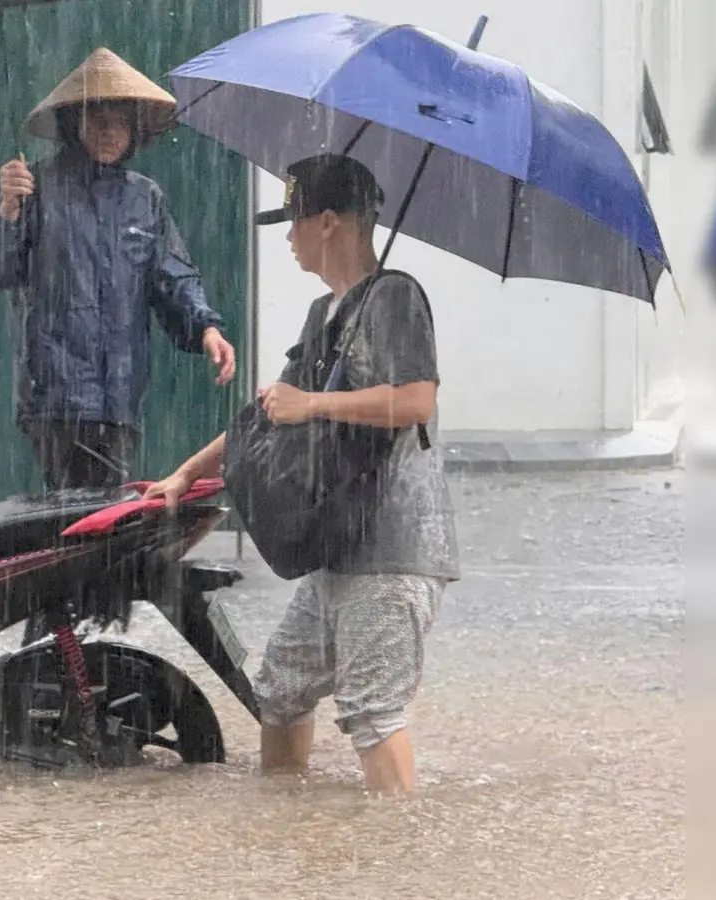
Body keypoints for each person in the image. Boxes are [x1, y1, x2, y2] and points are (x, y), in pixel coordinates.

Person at [144, 155, 460, 794]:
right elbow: (266, 415)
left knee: (373, 713)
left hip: (393, 552)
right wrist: (183, 475)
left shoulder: (395, 295)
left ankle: (393, 861)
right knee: (282, 690)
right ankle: (291, 829)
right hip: (337, 548)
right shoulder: (326, 315)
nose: (286, 239)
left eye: (291, 223)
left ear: (326, 224)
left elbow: (417, 400)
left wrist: (313, 404)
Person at [0, 47, 237, 492]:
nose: (111, 133)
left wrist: (206, 327)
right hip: (57, 394)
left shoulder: (145, 198)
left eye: (122, 123)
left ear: (135, 131)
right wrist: (8, 210)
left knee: (102, 514)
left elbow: (171, 274)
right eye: (99, 121)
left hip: (122, 395)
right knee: (90, 513)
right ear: (76, 126)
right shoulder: (37, 188)